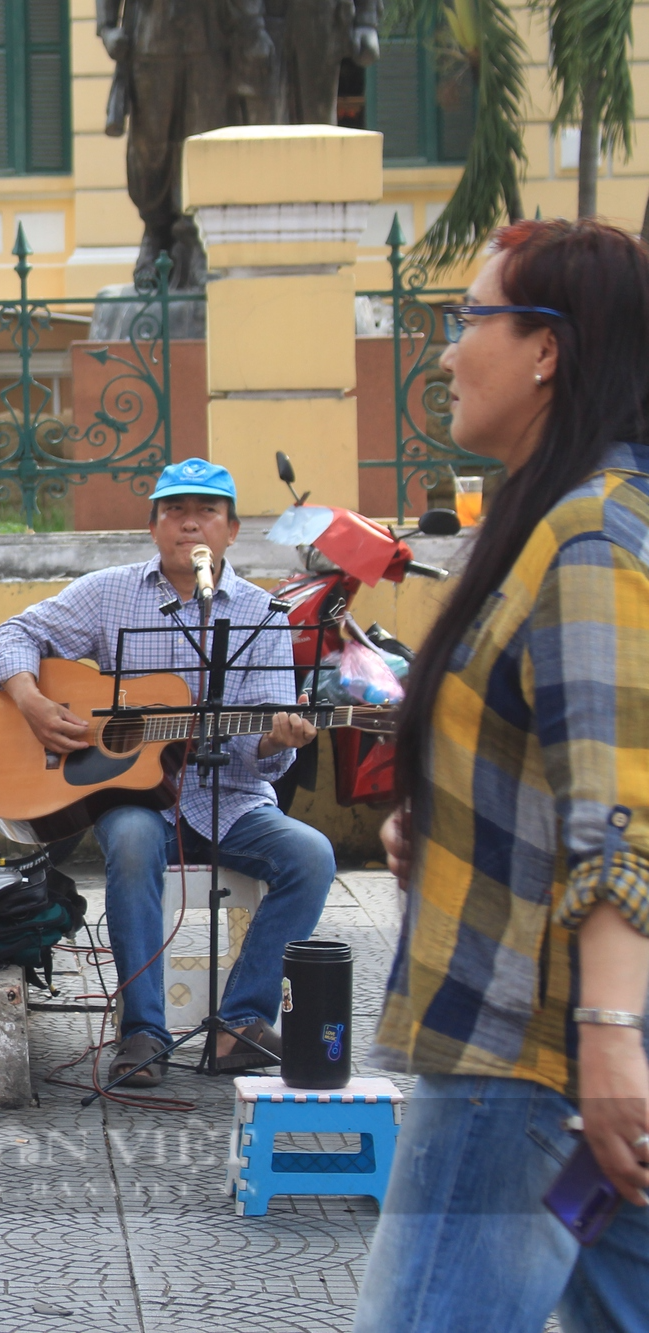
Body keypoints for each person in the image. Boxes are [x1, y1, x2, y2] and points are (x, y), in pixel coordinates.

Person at [355, 219, 649, 1333]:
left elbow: (615, 808)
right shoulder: (557, 519)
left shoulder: (585, 537)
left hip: (524, 1056)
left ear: (545, 351)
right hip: (566, 1052)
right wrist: (439, 820)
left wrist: (611, 1039)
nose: (441, 353)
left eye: (465, 319)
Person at [0, 457, 332, 1088]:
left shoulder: (265, 615)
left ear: (231, 530)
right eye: (175, 512)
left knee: (312, 856)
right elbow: (14, 632)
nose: (189, 525)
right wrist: (33, 703)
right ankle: (144, 1031)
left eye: (206, 514)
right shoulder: (109, 592)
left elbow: (266, 760)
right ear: (153, 526)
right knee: (136, 844)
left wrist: (281, 740)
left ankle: (240, 1022)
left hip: (233, 798)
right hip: (137, 800)